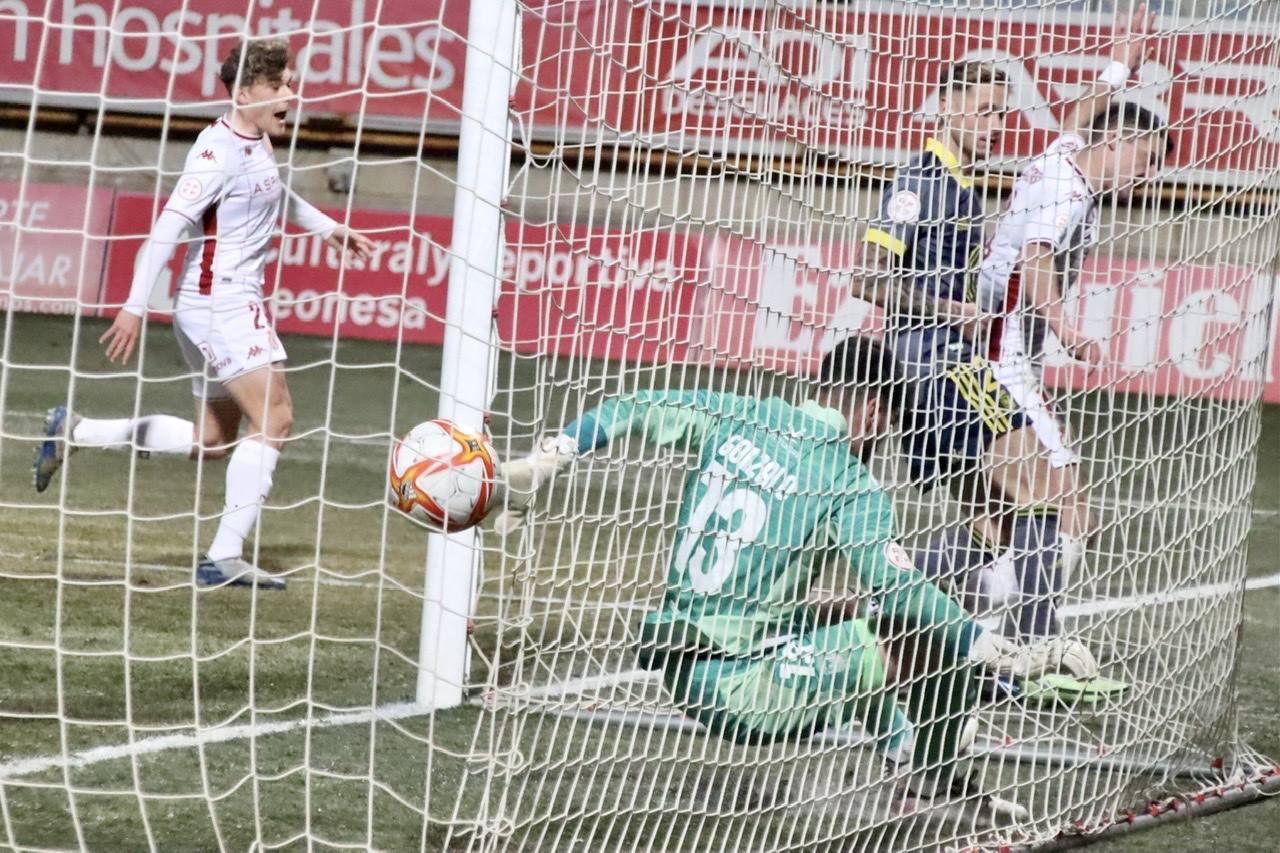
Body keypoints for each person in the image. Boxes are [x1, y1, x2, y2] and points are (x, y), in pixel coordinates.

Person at [497, 337, 1095, 822]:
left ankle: (906, 750)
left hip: (682, 654)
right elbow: (902, 591)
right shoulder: (847, 482)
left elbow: (632, 407)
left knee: (851, 618)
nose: (883, 441)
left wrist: (549, 458)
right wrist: (995, 648)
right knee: (927, 639)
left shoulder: (743, 412)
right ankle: (931, 770)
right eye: (887, 426)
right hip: (742, 688)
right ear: (873, 411)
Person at [856, 8, 1156, 651]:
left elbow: (1077, 122)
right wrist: (959, 312)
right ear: (945, 108)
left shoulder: (989, 181)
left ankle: (895, 617)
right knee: (1053, 498)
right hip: (949, 361)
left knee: (997, 525)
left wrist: (1119, 65)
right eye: (987, 110)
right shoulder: (923, 182)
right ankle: (1032, 644)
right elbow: (866, 279)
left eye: (1002, 112)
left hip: (961, 357)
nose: (999, 124)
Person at [32, 39, 374, 589]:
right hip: (225, 304)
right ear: (243, 94)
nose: (293, 92)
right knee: (277, 418)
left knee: (213, 441)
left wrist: (328, 227)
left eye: (290, 82)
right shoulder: (214, 156)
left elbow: (273, 193)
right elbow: (166, 230)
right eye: (280, 85)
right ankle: (224, 556)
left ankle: (77, 431)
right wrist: (133, 307)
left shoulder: (256, 139)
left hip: (214, 306)